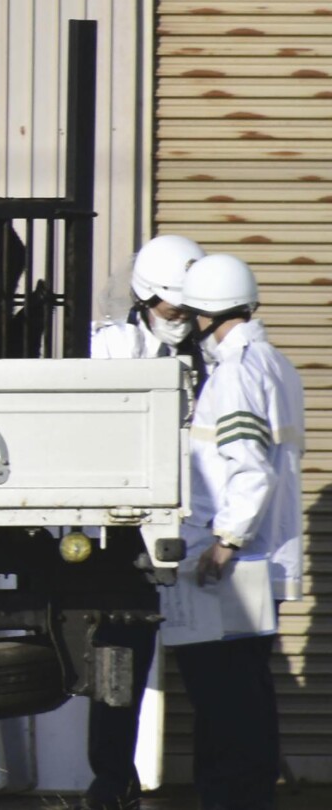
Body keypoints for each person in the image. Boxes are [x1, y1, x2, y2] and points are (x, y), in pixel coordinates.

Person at [80, 234, 205, 810]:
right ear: (147, 297)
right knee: (119, 667)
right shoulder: (116, 345)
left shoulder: (215, 351)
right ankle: (112, 783)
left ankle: (220, 784)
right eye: (171, 310)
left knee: (211, 669)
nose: (179, 321)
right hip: (127, 533)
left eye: (188, 310)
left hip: (199, 531)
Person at [175, 253, 303, 810]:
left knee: (223, 702)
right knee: (248, 695)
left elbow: (250, 468)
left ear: (205, 313)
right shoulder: (276, 363)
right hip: (260, 560)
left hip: (233, 562)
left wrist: (224, 543)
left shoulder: (235, 375)